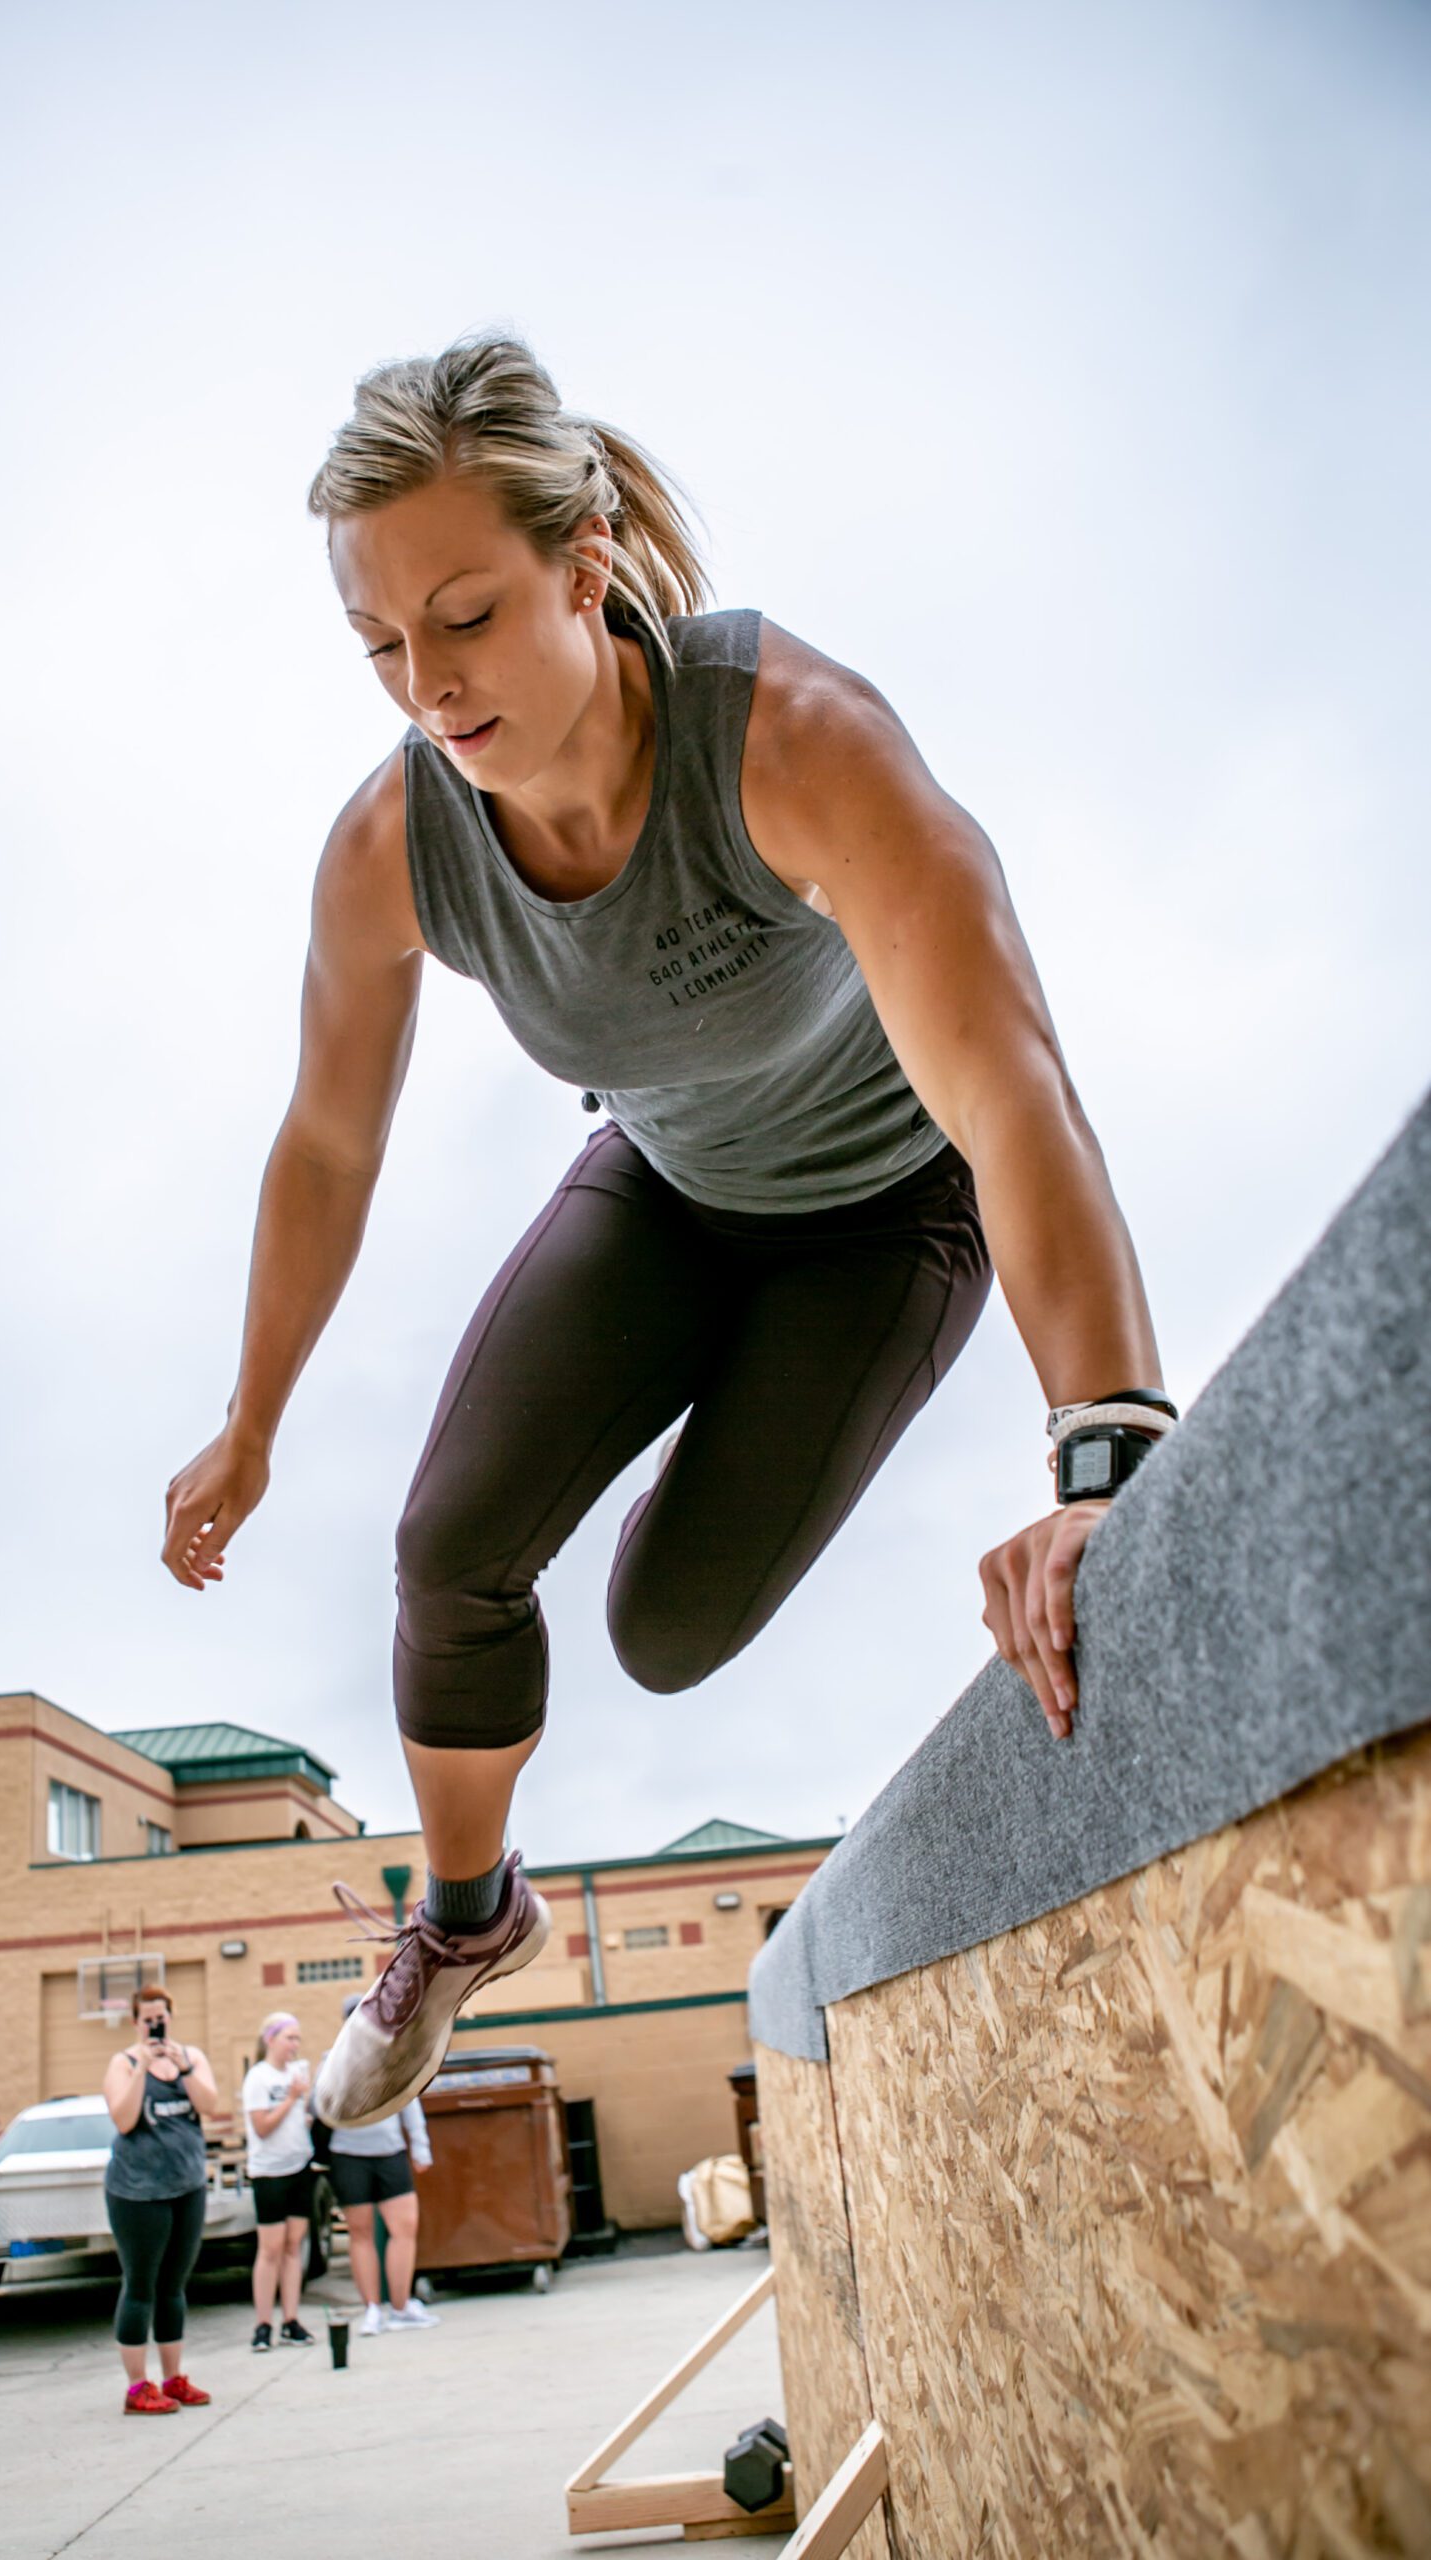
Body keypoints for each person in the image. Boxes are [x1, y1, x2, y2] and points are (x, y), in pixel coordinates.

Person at [161, 332, 1173, 2139]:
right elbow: (324, 1146)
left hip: (886, 1215)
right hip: (671, 1190)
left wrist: (1104, 1459)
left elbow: (1013, 1095)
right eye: (384, 647)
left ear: (588, 555)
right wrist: (250, 1421)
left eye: (465, 617)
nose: (428, 687)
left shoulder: (796, 745)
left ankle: (749, 1443)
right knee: (449, 1546)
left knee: (664, 1628)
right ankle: (464, 1925)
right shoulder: (394, 848)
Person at [101, 1983, 220, 2414]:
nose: (156, 2023)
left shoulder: (192, 2058)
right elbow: (125, 2118)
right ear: (136, 2022)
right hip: (137, 2193)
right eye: (148, 2018)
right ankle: (137, 2387)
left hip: (186, 2187)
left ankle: (173, 2378)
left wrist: (182, 2066)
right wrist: (142, 2067)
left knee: (173, 2285)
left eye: (162, 2017)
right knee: (140, 2285)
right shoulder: (122, 2063)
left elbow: (209, 2103)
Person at [321, 1994, 439, 2336]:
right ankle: (372, 2308)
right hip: (349, 2154)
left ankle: (400, 2306)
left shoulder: (393, 2056)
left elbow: (408, 2102)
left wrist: (421, 2147)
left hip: (389, 2152)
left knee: (404, 2228)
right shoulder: (333, 2060)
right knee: (361, 2234)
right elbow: (321, 2105)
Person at [240, 2011, 316, 2349]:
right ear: (271, 2039)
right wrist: (290, 2098)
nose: (295, 2046)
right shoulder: (259, 2078)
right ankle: (262, 2323)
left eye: (298, 2039)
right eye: (289, 2038)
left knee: (293, 2245)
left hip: (298, 2166)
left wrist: (306, 2109)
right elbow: (262, 2127)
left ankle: (291, 2318)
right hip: (269, 2173)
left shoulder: (297, 2075)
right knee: (270, 2249)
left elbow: (299, 2120)